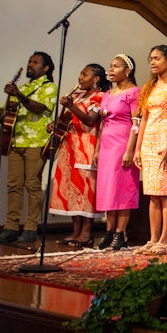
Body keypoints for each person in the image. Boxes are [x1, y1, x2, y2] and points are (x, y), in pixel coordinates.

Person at [0, 52, 58, 244]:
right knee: (13, 185)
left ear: (45, 68)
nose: (30, 64)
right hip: (16, 141)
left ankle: (31, 227)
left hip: (36, 142)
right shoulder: (24, 87)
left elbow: (38, 108)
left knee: (32, 184)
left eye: (35, 62)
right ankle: (11, 226)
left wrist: (18, 95)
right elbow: (6, 109)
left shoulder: (49, 87)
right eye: (30, 61)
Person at [48, 63, 111, 247]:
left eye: (84, 75)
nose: (80, 78)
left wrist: (71, 106)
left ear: (96, 79)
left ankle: (86, 233)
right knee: (72, 191)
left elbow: (90, 120)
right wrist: (56, 124)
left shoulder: (99, 97)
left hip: (87, 147)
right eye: (80, 74)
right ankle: (75, 232)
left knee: (85, 192)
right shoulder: (79, 96)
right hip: (71, 147)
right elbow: (70, 120)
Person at [133, 45, 167, 255]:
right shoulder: (150, 86)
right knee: (152, 194)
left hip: (165, 142)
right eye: (151, 58)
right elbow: (144, 119)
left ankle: (165, 240)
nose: (153, 62)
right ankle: (153, 238)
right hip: (148, 142)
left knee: (165, 192)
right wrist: (137, 148)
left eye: (157, 58)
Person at [94, 54, 140, 250]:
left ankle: (121, 233)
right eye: (110, 66)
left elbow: (136, 123)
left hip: (122, 143)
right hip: (106, 144)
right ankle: (110, 231)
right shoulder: (108, 93)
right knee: (108, 189)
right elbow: (102, 123)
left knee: (122, 188)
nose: (110, 70)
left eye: (116, 66)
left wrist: (130, 149)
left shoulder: (134, 92)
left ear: (127, 71)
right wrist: (97, 150)